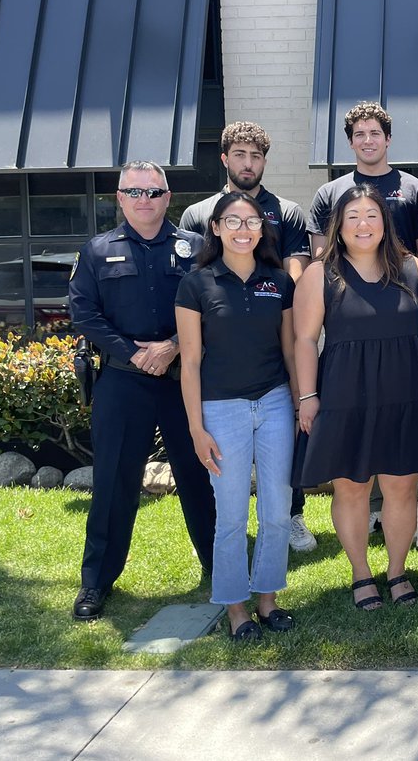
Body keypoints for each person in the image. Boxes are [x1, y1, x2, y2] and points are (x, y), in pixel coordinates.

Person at [67, 161, 215, 621]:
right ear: (120, 197)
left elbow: (216, 305)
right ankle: (96, 582)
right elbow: (84, 314)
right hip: (123, 381)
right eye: (135, 192)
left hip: (182, 380)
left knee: (202, 476)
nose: (145, 200)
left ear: (169, 198)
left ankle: (221, 566)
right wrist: (133, 353)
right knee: (113, 481)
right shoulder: (96, 251)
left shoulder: (197, 248)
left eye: (154, 192)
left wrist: (173, 346)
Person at [294, 184, 418, 610]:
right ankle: (361, 574)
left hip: (405, 391)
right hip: (344, 394)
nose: (363, 224)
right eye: (353, 216)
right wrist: (307, 396)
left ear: (385, 223)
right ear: (338, 226)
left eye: (372, 216)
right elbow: (305, 340)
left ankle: (397, 571)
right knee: (353, 489)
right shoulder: (319, 275)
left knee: (402, 488)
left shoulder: (414, 269)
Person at [180, 121, 318, 553]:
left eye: (256, 156)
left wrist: (284, 311)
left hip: (278, 323)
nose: (248, 163)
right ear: (224, 159)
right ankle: (228, 533)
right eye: (240, 155)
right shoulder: (198, 214)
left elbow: (296, 267)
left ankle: (291, 515)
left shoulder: (287, 212)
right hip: (222, 332)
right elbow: (196, 282)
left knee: (284, 442)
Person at [175, 192, 297, 641]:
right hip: (220, 409)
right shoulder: (196, 284)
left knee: (277, 510)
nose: (243, 230)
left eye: (251, 222)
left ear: (262, 230)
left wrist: (303, 402)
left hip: (275, 403)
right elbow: (189, 362)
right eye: (233, 222)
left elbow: (290, 349)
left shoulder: (279, 282)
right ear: (216, 227)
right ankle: (235, 608)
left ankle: (267, 599)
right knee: (229, 516)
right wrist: (195, 428)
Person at [308, 101, 418, 269]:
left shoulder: (417, 190)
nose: (368, 141)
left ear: (388, 139)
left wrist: (404, 282)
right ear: (350, 142)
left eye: (375, 133)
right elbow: (321, 257)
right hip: (346, 291)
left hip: (402, 290)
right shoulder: (328, 193)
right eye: (359, 134)